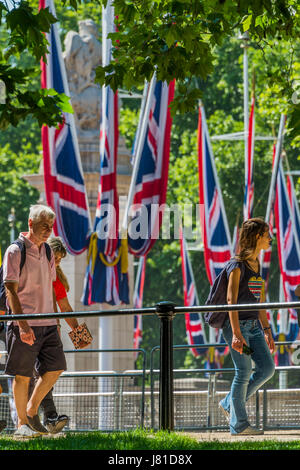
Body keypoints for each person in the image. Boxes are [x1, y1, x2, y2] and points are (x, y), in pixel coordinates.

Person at [3, 204, 67, 438]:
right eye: (43, 226)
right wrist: (22, 324)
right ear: (30, 223)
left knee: (56, 367)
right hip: (23, 323)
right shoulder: (15, 251)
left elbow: (50, 288)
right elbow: (10, 290)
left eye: (50, 227)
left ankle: (31, 410)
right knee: (22, 375)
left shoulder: (48, 251)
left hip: (48, 323)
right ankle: (22, 425)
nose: (48, 230)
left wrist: (56, 321)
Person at [218, 217, 275, 435]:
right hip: (237, 328)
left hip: (254, 328)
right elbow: (231, 301)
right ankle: (239, 425)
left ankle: (228, 404)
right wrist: (236, 334)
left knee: (267, 368)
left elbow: (259, 300)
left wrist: (267, 330)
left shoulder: (257, 264)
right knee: (243, 370)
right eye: (266, 234)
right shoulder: (236, 265)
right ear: (257, 237)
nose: (270, 239)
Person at [29, 236, 88, 433]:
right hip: (30, 329)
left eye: (60, 259)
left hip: (51, 331)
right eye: (57, 258)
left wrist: (79, 335)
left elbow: (65, 307)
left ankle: (47, 417)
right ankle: (40, 417)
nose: (58, 263)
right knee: (40, 375)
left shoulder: (56, 278)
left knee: (47, 374)